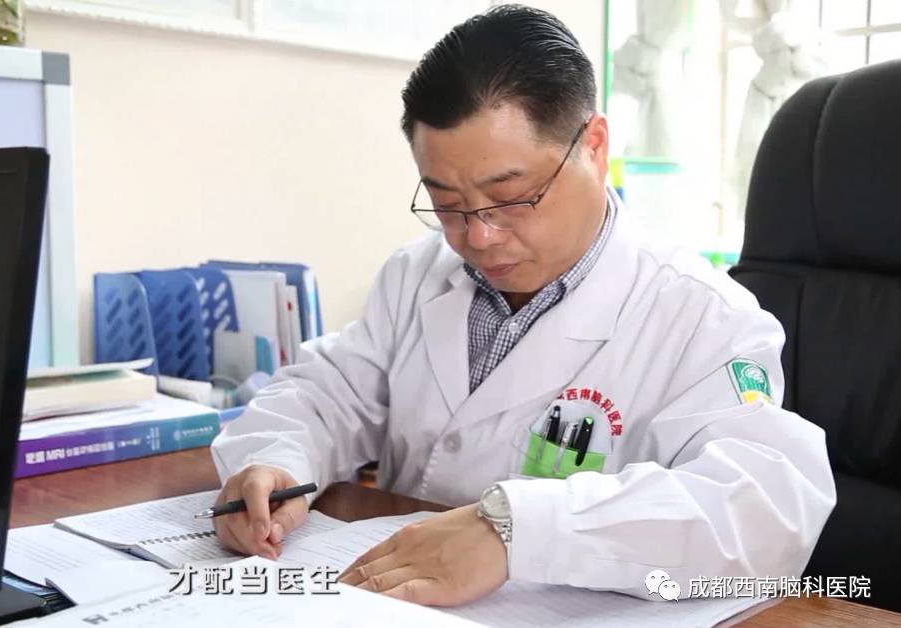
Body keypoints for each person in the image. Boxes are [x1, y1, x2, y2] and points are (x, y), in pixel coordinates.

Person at [210, 4, 835, 607]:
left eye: (511, 198)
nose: (478, 236)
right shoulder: (419, 274)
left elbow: (764, 513)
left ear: (594, 147)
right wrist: (274, 461)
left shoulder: (704, 317)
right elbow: (329, 393)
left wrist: (523, 531)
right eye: (448, 204)